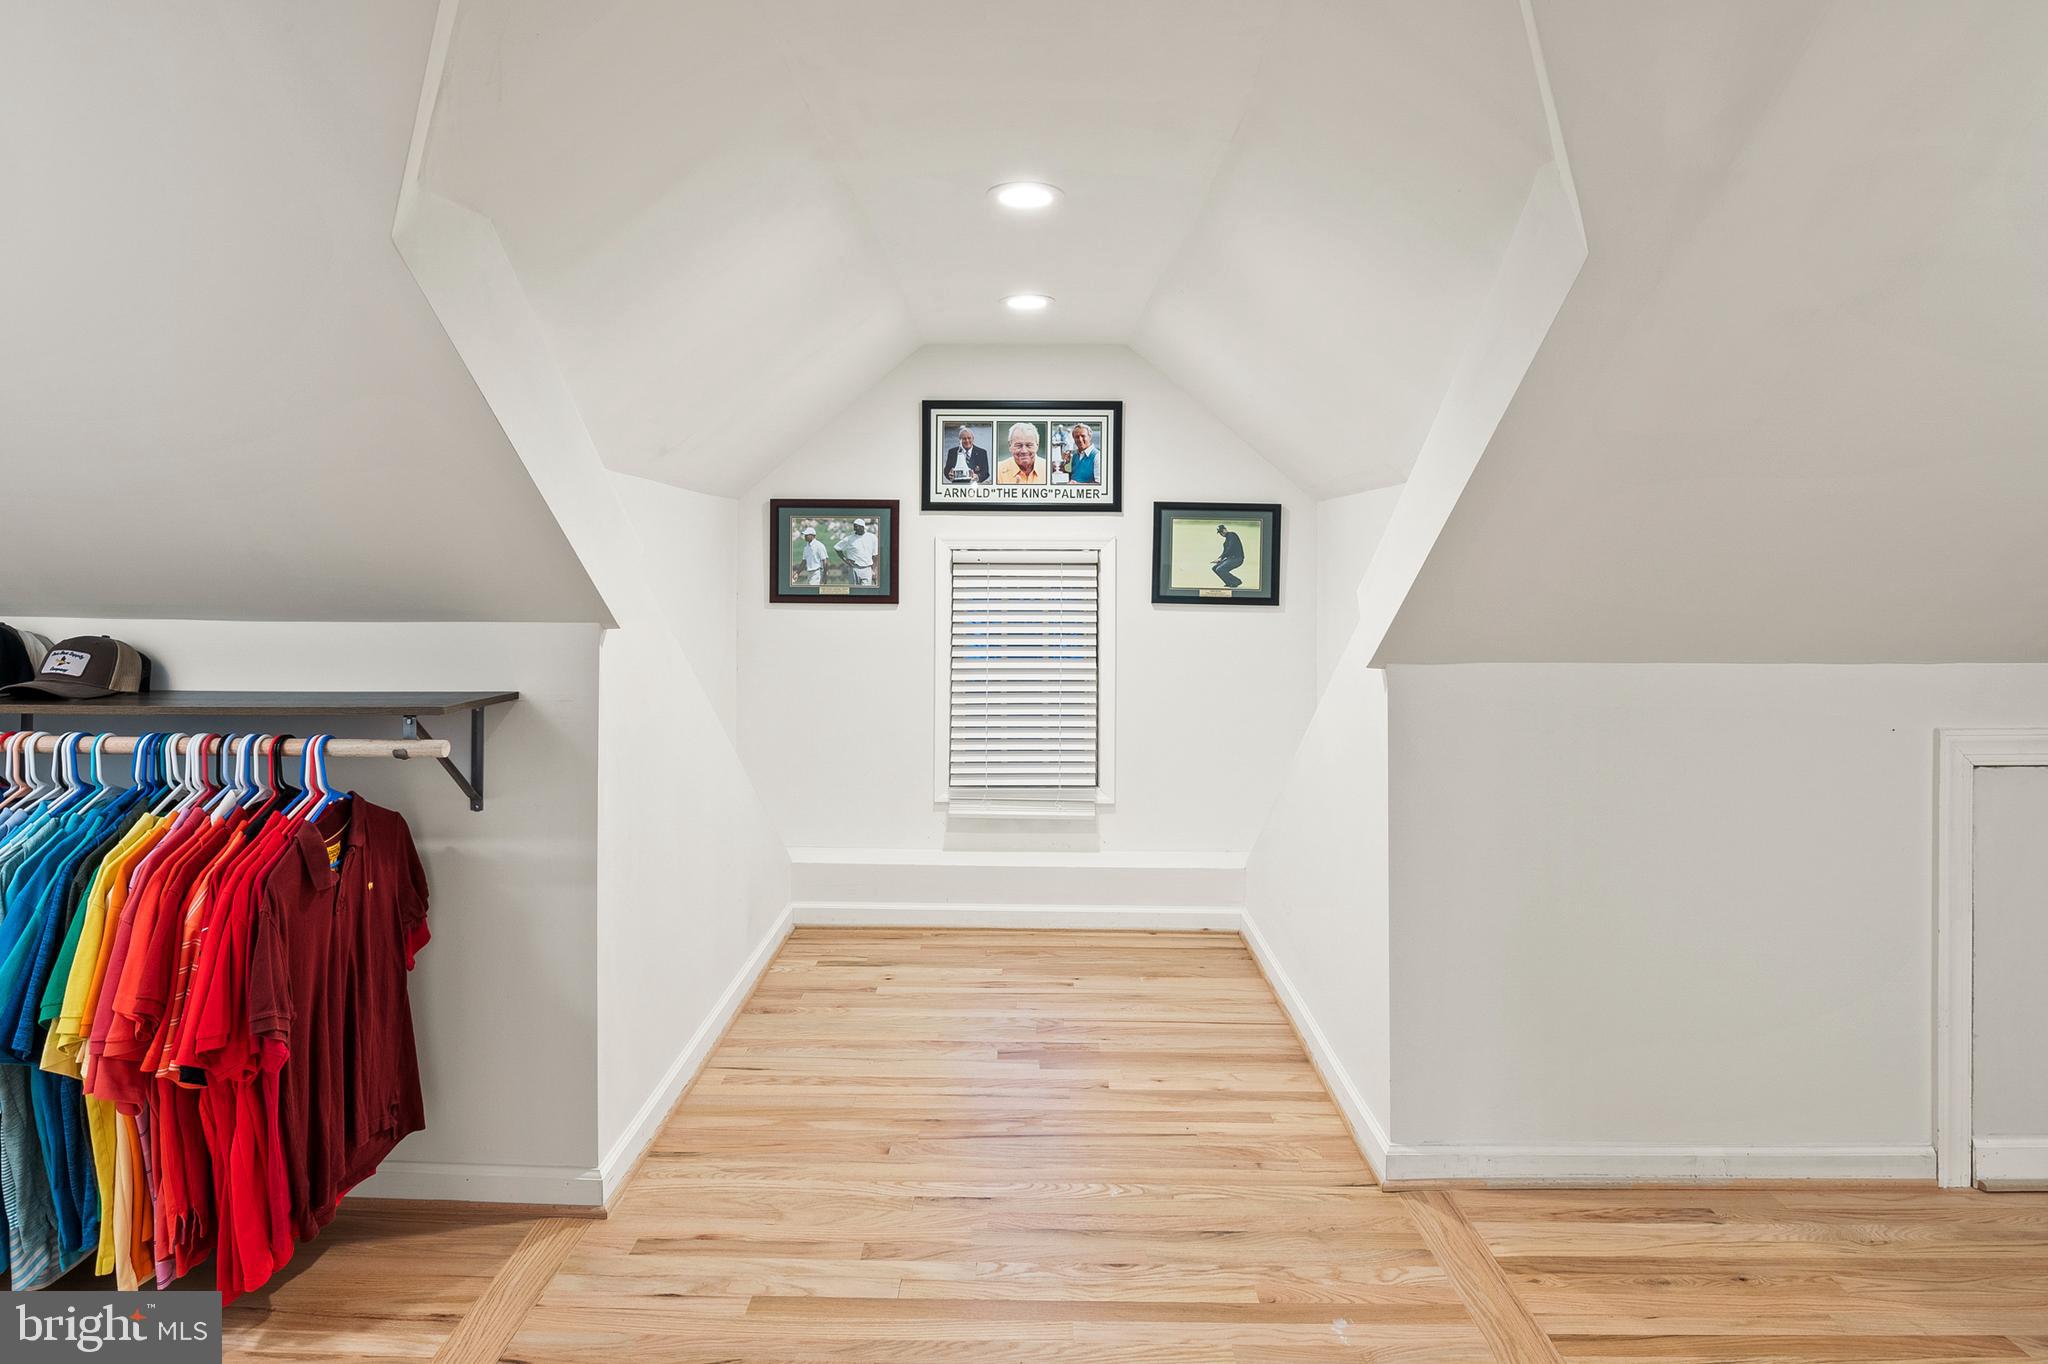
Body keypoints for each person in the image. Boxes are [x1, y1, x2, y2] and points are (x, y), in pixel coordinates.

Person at [834, 518, 879, 587]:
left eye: (857, 526)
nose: (855, 528)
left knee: (865, 591)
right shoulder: (849, 538)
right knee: (853, 591)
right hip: (854, 568)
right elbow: (837, 548)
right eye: (854, 526)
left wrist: (874, 571)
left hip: (867, 569)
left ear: (862, 527)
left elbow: (875, 555)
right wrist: (845, 560)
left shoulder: (872, 538)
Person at [1212, 523, 1246, 588]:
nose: (1221, 533)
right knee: (1214, 568)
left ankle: (1236, 581)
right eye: (1220, 532)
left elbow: (1231, 548)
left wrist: (1221, 558)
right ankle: (1229, 583)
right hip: (1230, 559)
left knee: (1220, 569)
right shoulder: (1225, 542)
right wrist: (1219, 559)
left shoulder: (1232, 535)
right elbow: (1225, 552)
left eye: (1222, 531)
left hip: (1237, 559)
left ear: (1225, 529)